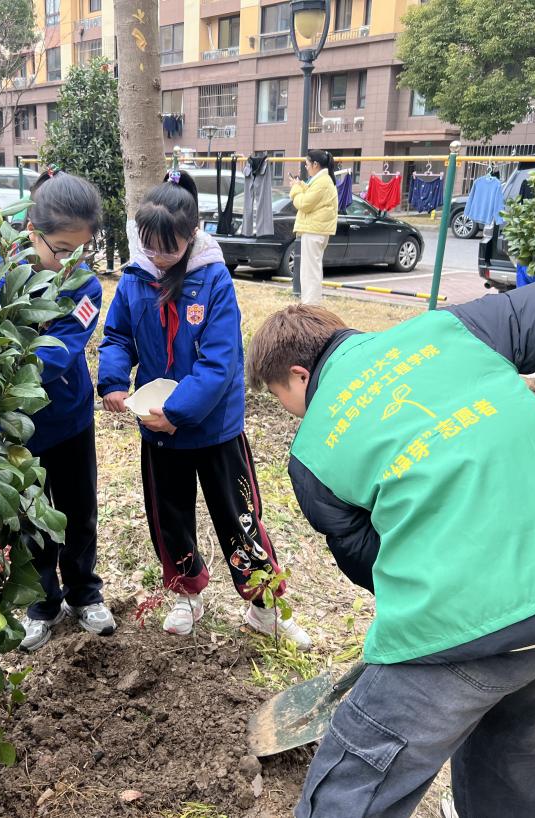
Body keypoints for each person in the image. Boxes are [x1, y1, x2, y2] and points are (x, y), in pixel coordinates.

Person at [245, 273, 535, 818]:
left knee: (353, 782)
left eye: (280, 397)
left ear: (298, 375)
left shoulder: (311, 456)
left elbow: (368, 561)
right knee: (509, 759)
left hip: (464, 626)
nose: (291, 411)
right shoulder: (453, 330)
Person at [97, 170, 311, 649]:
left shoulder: (213, 280)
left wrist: (178, 412)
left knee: (238, 516)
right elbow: (117, 335)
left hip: (214, 427)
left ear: (192, 234)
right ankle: (187, 594)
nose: (157, 257)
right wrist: (112, 382)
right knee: (169, 516)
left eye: (167, 249)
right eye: (149, 246)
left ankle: (264, 606)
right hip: (158, 428)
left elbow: (220, 362)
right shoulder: (135, 278)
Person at [0, 169, 116, 652]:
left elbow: (61, 351)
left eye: (82, 251)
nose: (71, 263)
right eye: (62, 250)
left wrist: (7, 365)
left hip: (68, 419)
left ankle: (85, 591)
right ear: (31, 231)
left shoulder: (84, 287)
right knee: (30, 518)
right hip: (15, 428)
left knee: (78, 511)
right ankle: (42, 603)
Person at [288, 149, 339, 306]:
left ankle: (311, 305)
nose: (306, 167)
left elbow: (304, 203)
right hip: (316, 230)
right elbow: (312, 196)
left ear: (315, 164)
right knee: (310, 270)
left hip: (314, 231)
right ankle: (310, 304)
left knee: (310, 272)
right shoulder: (321, 180)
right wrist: (300, 185)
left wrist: (295, 189)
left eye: (307, 164)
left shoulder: (322, 182)